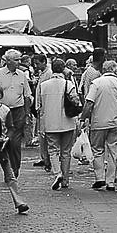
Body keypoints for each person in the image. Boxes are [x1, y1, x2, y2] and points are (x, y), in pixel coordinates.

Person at [80, 60, 117, 191]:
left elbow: (89, 103)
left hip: (98, 122)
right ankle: (111, 182)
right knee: (114, 151)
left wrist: (83, 118)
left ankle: (100, 177)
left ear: (104, 69)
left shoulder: (97, 83)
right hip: (116, 122)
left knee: (97, 150)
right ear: (115, 70)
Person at [37, 58, 80, 190]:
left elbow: (39, 107)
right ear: (63, 69)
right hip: (67, 122)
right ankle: (65, 180)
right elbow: (76, 101)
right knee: (66, 151)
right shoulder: (68, 84)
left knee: (53, 150)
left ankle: (57, 173)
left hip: (50, 123)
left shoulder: (43, 85)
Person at [0, 48, 32, 178]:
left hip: (18, 111)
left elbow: (27, 95)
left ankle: (15, 168)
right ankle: (7, 168)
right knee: (2, 140)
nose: (19, 62)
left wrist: (27, 114)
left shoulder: (22, 74)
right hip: (2, 111)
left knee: (15, 142)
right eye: (16, 59)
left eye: (19, 59)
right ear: (7, 61)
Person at [0, 103, 30, 213]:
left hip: (2, 146)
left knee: (10, 174)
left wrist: (7, 138)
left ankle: (19, 202)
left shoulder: (5, 110)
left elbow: (11, 128)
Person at [31, 54, 53, 171]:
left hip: (45, 108)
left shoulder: (49, 73)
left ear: (44, 62)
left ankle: (47, 159)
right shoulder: (42, 73)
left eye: (38, 63)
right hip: (40, 108)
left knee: (44, 134)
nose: (36, 66)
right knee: (41, 134)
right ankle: (44, 157)